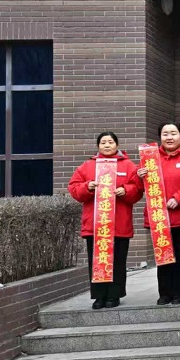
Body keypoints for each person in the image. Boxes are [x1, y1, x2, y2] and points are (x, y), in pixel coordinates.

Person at [68, 132, 143, 309]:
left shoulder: (128, 165)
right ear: (98, 146)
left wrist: (125, 190)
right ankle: (99, 296)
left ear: (117, 145)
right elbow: (74, 188)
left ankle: (114, 295)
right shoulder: (88, 166)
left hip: (119, 224)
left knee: (117, 262)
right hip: (96, 224)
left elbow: (138, 189)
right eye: (103, 142)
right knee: (97, 262)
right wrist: (88, 186)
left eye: (110, 142)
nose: (107, 145)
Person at [136, 122, 180, 306]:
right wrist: (139, 176)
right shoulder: (150, 157)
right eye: (165, 134)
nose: (169, 137)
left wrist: (178, 198)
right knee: (162, 256)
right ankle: (164, 293)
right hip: (159, 217)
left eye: (173, 133)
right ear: (160, 137)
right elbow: (140, 187)